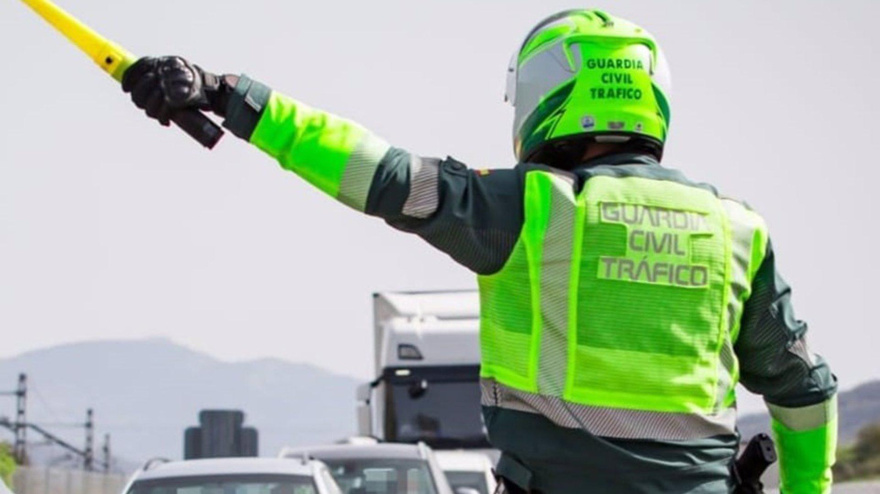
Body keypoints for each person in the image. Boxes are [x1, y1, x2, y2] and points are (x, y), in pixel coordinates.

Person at [121, 9, 837, 494]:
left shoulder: (530, 207)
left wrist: (228, 93)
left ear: (542, 94)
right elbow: (805, 392)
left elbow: (378, 172)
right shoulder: (737, 229)